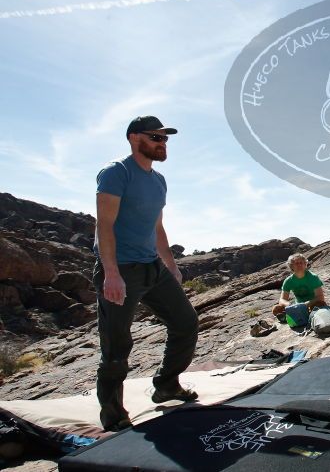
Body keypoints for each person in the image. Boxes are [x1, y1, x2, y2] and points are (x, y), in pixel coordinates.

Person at [92, 115, 199, 432]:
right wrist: (111, 272)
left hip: (152, 266)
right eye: (156, 137)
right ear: (134, 138)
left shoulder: (158, 180)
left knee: (185, 322)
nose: (162, 143)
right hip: (121, 269)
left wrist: (171, 264)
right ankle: (113, 414)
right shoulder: (116, 173)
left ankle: (166, 384)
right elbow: (104, 225)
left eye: (165, 139)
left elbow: (157, 226)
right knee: (116, 346)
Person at [272, 253, 327, 320]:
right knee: (276, 309)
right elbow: (282, 300)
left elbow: (320, 297)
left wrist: (307, 304)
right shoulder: (288, 281)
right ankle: (299, 314)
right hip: (297, 306)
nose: (299, 265)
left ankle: (292, 316)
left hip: (312, 304)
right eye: (296, 263)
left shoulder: (313, 277)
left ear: (305, 264)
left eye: (301, 262)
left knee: (320, 303)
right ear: (291, 266)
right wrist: (289, 305)